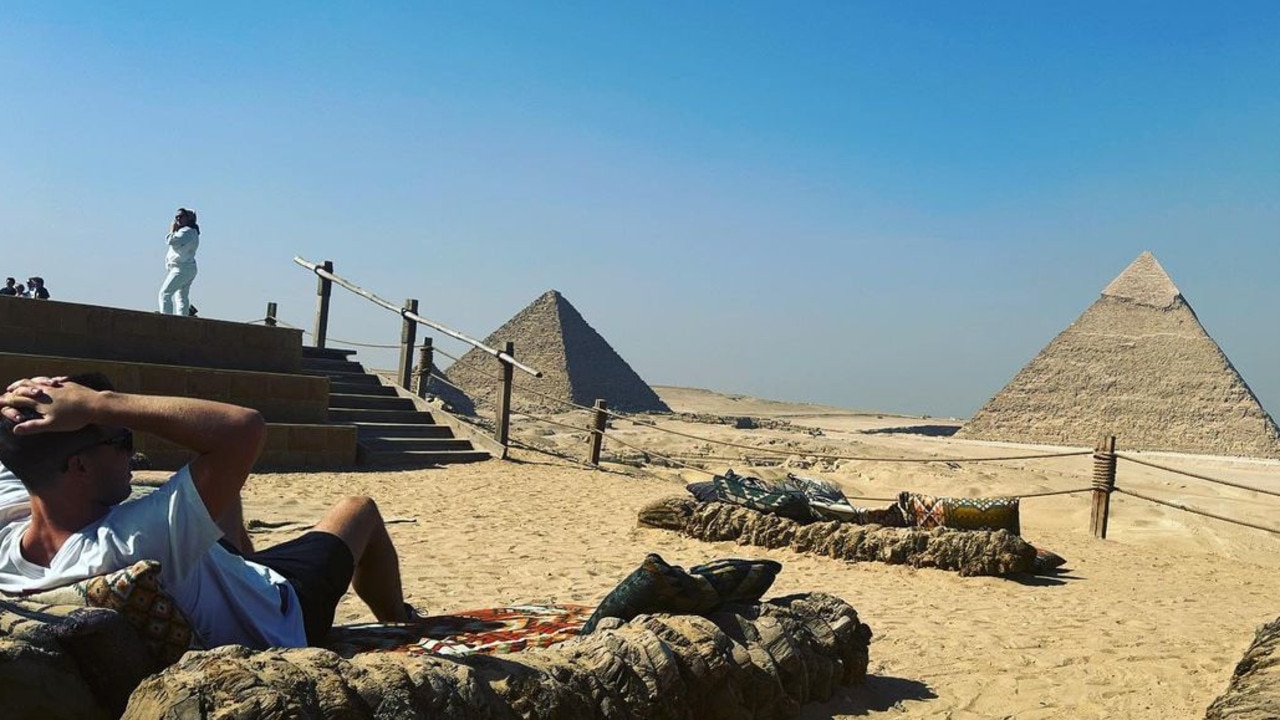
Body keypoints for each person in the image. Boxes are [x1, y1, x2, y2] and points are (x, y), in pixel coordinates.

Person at [0, 373, 418, 649]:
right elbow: (242, 428)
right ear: (81, 466)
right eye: (122, 441)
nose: (134, 453)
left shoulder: (10, 534)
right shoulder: (132, 543)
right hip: (278, 608)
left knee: (220, 496)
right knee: (358, 509)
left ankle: (241, 563)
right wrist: (102, 404)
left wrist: (20, 400)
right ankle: (400, 624)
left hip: (217, 573)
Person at [158, 208, 200, 316]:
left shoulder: (187, 231)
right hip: (187, 268)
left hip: (181, 268)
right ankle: (182, 320)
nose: (178, 219)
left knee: (165, 293)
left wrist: (172, 230)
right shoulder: (191, 232)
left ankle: (166, 319)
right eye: (176, 217)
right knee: (181, 297)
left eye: (181, 216)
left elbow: (172, 241)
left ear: (189, 218)